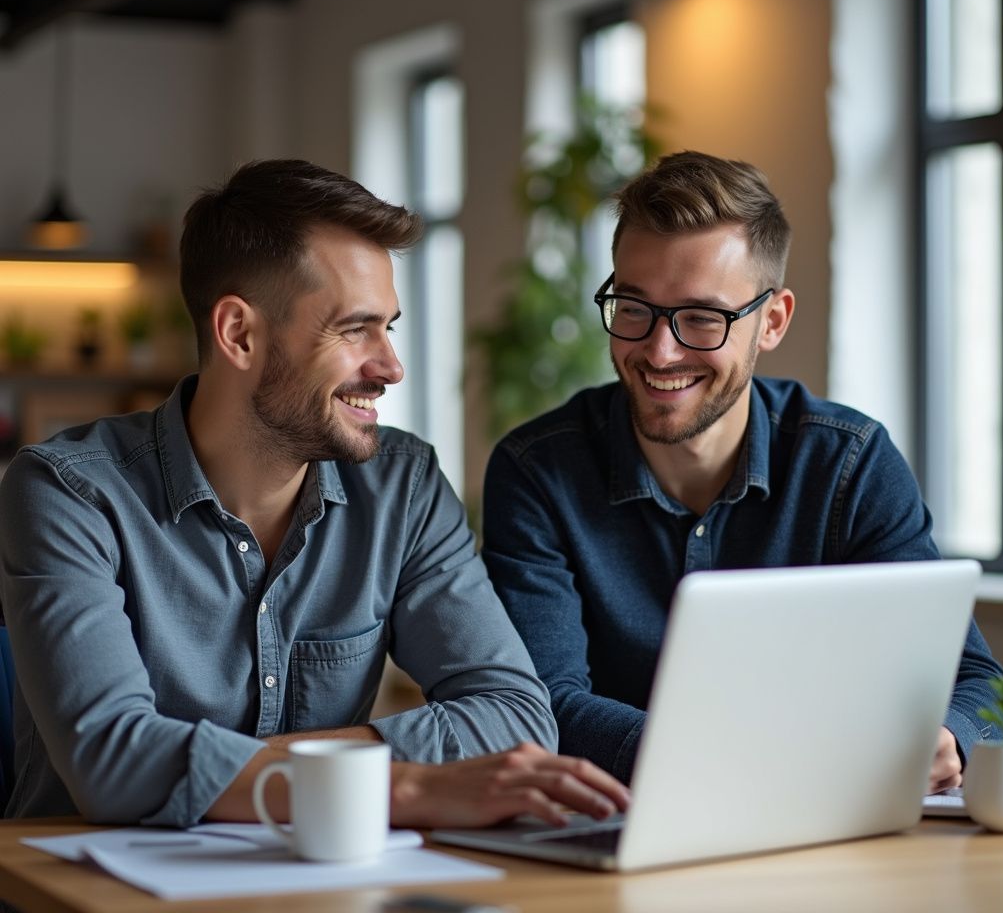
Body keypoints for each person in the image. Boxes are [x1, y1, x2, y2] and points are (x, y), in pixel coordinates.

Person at [0, 159, 628, 829]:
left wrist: (228, 768)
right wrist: (404, 788)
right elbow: (113, 761)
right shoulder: (68, 493)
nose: (390, 366)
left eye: (390, 325)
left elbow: (515, 718)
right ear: (239, 334)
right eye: (356, 328)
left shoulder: (403, 488)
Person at [482, 149, 1003, 791]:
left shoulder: (849, 462)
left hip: (829, 827)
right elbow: (540, 702)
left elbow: (975, 684)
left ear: (772, 321)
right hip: (628, 830)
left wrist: (947, 736)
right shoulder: (537, 471)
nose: (659, 349)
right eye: (634, 307)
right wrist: (746, 760)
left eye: (702, 317)